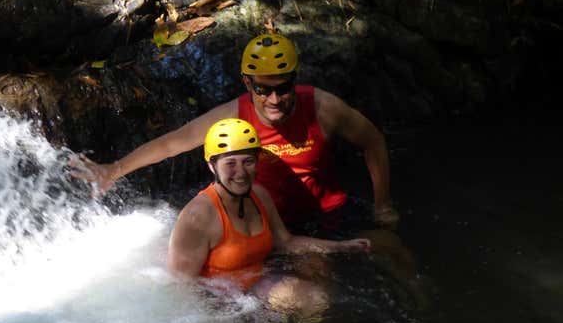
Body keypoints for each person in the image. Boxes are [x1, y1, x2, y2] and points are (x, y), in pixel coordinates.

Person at [71, 32, 399, 231]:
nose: (274, 100)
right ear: (247, 82)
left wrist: (382, 204)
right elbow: (175, 142)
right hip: (274, 224)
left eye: (283, 89)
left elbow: (373, 142)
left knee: (391, 249)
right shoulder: (233, 114)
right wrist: (114, 170)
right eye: (263, 89)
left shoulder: (322, 107)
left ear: (294, 79)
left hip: (331, 210)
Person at [168, 118, 370, 310]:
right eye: (230, 163)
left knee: (317, 296)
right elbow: (182, 288)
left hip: (256, 284)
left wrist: (341, 247)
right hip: (220, 301)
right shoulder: (197, 217)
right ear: (212, 166)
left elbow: (285, 242)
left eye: (248, 161)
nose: (241, 172)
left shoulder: (260, 195)